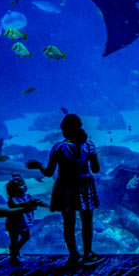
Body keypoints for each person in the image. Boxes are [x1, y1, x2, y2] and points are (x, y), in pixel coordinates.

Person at [26, 113, 105, 267]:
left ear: (64, 130)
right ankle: (88, 254)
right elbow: (95, 169)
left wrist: (38, 165)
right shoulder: (89, 145)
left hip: (66, 186)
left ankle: (74, 255)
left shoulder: (58, 147)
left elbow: (49, 172)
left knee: (68, 222)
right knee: (87, 221)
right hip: (85, 185)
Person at [5, 175, 46, 265]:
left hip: (24, 222)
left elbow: (37, 202)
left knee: (26, 237)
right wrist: (29, 203)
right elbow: (15, 206)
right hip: (14, 222)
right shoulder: (12, 198)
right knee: (14, 240)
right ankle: (13, 256)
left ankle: (16, 250)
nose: (24, 187)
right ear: (13, 189)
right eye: (20, 185)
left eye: (24, 184)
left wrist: (48, 206)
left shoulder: (28, 196)